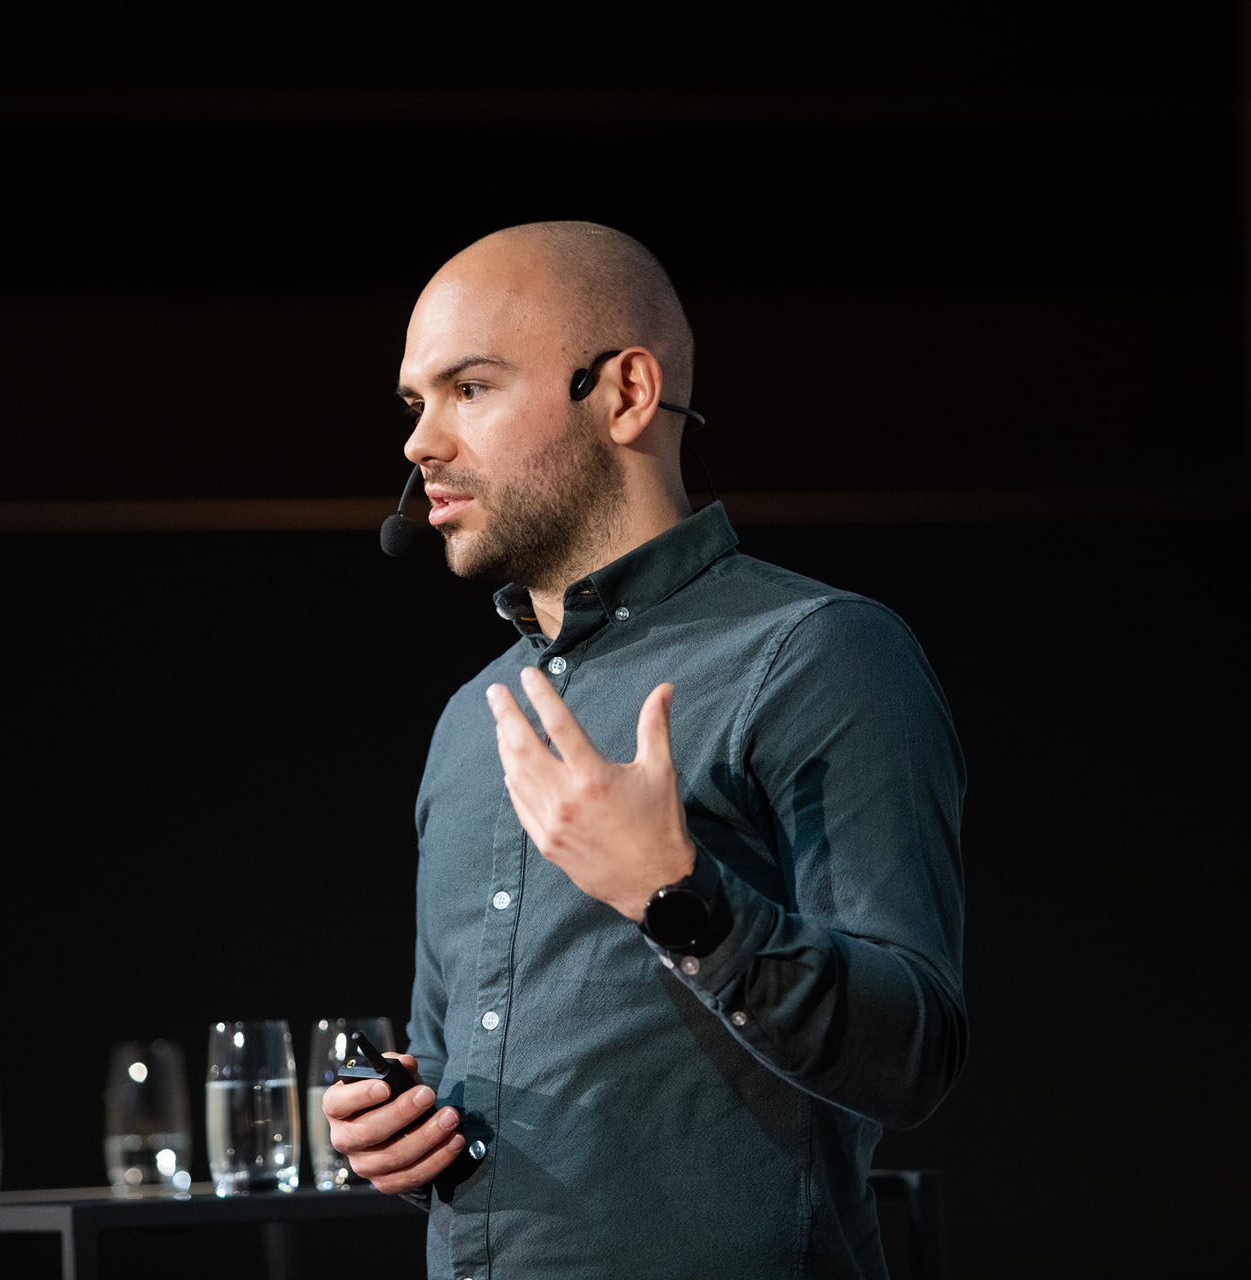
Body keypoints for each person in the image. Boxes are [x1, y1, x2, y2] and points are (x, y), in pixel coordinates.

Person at [323, 221, 967, 1279]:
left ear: (625, 393)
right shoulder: (472, 719)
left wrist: (679, 895)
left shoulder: (818, 655)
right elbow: (449, 1057)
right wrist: (405, 1127)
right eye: (414, 403)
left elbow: (917, 1052)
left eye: (470, 388)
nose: (419, 442)